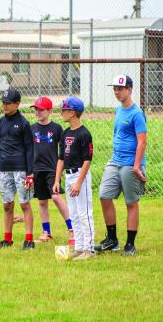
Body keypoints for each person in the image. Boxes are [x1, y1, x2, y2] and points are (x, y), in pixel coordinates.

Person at [95, 75, 147, 256]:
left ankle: (130, 244)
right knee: (104, 195)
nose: (117, 92)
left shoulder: (137, 113)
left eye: (120, 88)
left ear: (130, 89)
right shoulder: (118, 110)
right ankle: (112, 240)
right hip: (115, 161)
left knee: (131, 203)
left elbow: (142, 142)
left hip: (130, 164)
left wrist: (136, 166)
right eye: (115, 89)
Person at [0, 89, 36, 250]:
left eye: (8, 103)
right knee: (7, 205)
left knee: (24, 204)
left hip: (20, 169)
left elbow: (29, 149)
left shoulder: (23, 124)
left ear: (17, 104)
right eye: (3, 102)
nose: (5, 106)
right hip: (3, 168)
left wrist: (30, 173)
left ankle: (29, 240)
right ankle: (7, 239)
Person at [53, 97, 95, 261]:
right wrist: (57, 180)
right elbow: (61, 158)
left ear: (72, 113)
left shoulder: (84, 134)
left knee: (84, 212)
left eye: (64, 110)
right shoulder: (65, 133)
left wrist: (79, 183)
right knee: (74, 214)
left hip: (80, 176)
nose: (62, 112)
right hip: (68, 175)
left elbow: (87, 160)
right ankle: (79, 247)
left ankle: (89, 249)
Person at [30, 96, 74, 244]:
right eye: (36, 109)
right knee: (42, 201)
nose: (37, 112)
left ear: (49, 111)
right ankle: (46, 232)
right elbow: (29, 151)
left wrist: (61, 169)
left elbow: (63, 152)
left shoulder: (56, 129)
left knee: (55, 197)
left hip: (52, 169)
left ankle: (72, 229)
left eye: (41, 110)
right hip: (37, 169)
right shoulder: (32, 129)